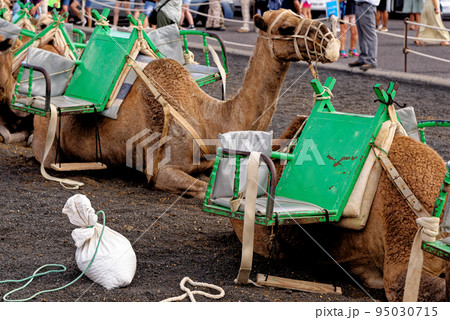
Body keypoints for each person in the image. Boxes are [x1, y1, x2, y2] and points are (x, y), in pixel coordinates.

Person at [349, 0, 380, 71]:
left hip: (367, 5)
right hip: (359, 5)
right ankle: (363, 58)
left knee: (370, 34)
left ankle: (371, 60)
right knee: (361, 34)